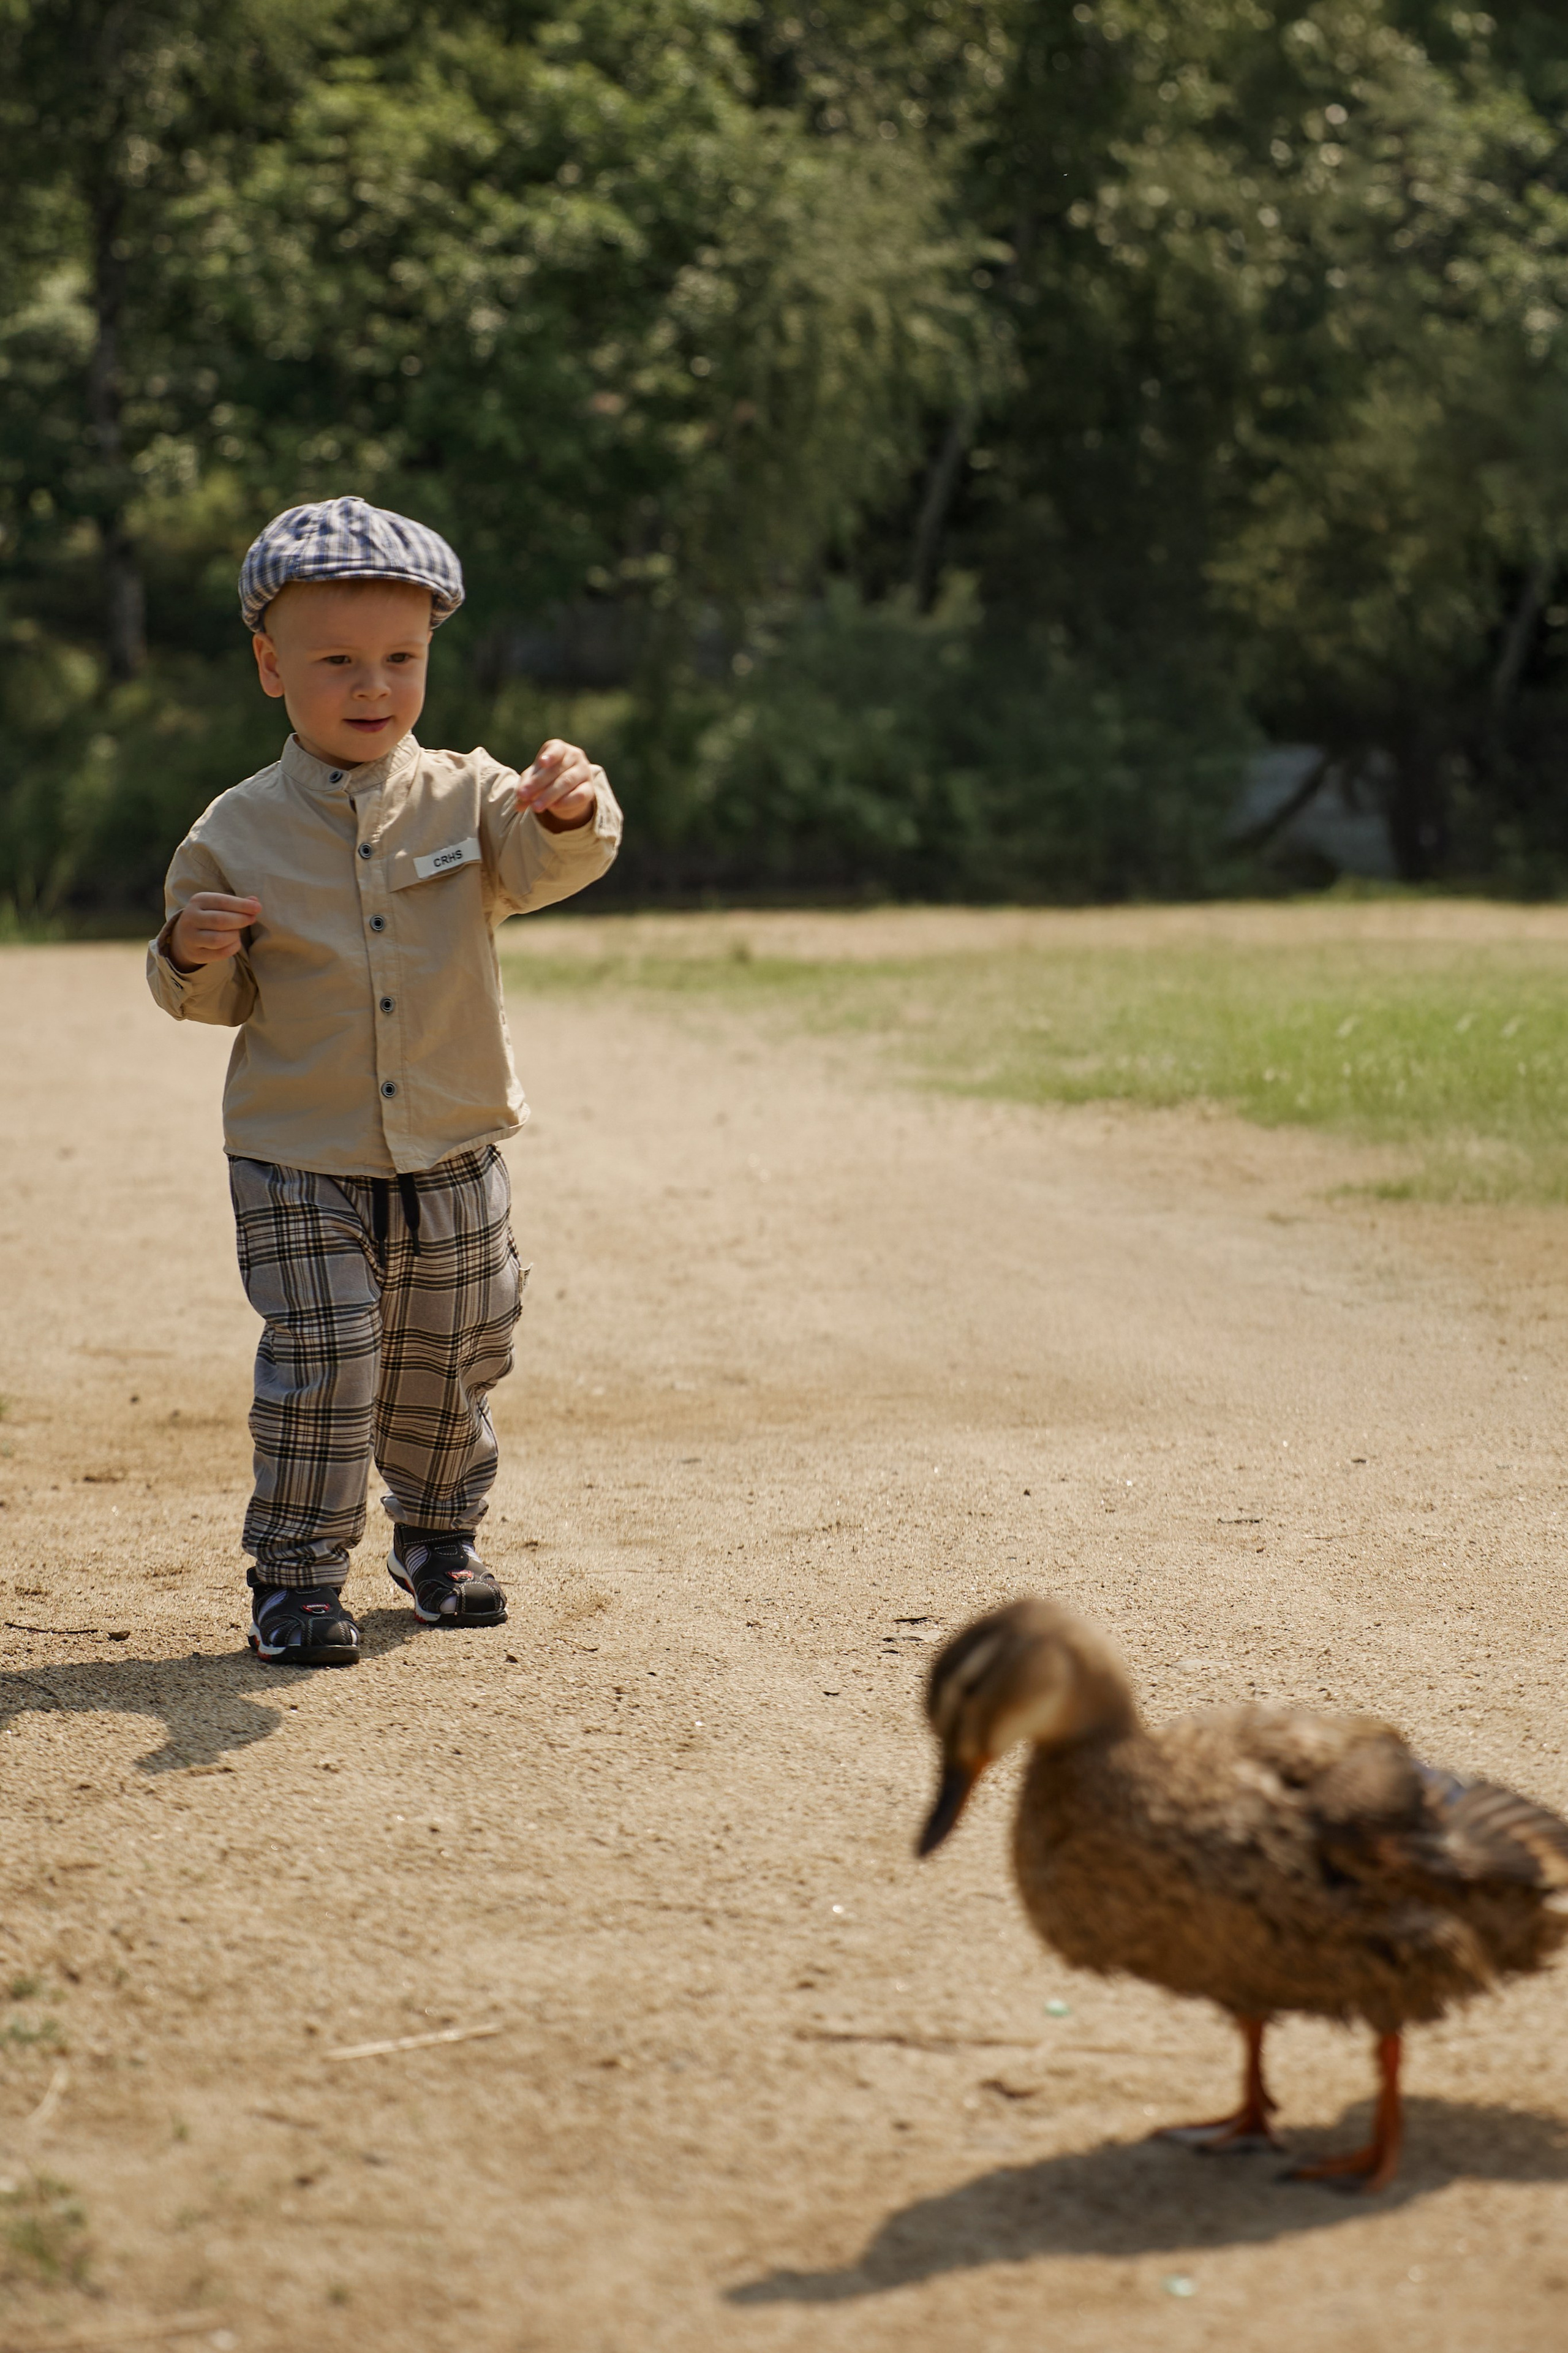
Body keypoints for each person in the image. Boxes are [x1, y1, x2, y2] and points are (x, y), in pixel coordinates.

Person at [147, 494, 622, 1665]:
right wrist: (189, 952)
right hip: (297, 1155)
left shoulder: (470, 794)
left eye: (402, 659)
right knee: (329, 1354)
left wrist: (572, 805)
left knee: (452, 1348)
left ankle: (439, 1537)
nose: (375, 686)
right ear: (270, 665)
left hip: (453, 1142)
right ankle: (298, 1579)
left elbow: (553, 853)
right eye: (339, 661)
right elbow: (207, 993)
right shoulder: (234, 830)